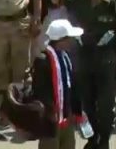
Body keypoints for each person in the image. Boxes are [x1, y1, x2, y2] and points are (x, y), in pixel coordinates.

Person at [53, 0, 116, 149]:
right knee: (86, 101)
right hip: (83, 56)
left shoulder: (115, 0)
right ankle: (93, 138)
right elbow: (55, 0)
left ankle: (104, 139)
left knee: (105, 104)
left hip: (106, 56)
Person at [32, 19, 84, 149]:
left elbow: (71, 85)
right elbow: (40, 91)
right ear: (61, 40)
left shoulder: (66, 57)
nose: (71, 41)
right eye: (69, 38)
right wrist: (50, 112)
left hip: (67, 118)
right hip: (51, 121)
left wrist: (77, 110)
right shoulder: (43, 60)